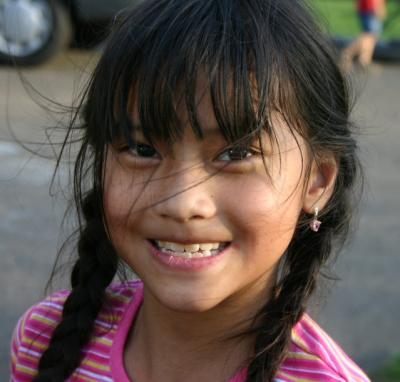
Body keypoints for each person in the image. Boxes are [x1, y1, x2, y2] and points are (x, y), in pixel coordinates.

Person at [10, 0, 370, 381]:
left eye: (236, 153)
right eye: (141, 150)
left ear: (317, 181)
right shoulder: (44, 339)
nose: (183, 203)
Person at [341, 0, 387, 72]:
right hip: (371, 9)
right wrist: (378, 8)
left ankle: (364, 61)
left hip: (367, 8)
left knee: (371, 38)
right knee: (369, 36)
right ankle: (347, 54)